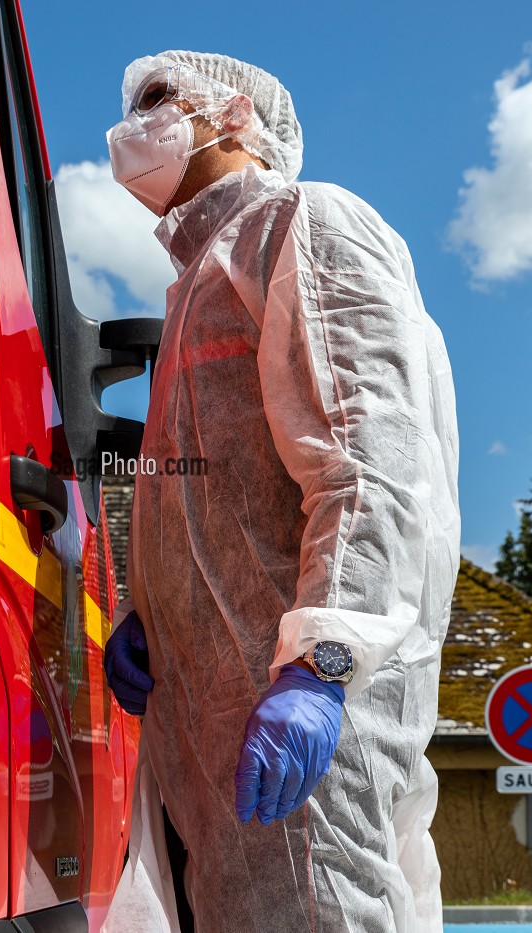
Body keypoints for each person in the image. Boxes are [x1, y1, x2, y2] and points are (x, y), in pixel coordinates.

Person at [100, 51, 461, 933]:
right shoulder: (195, 285)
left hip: (303, 723)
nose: (128, 129)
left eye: (156, 101)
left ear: (232, 116)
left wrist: (325, 664)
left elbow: (372, 461)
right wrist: (150, 612)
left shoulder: (305, 222)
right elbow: (209, 505)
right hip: (218, 736)